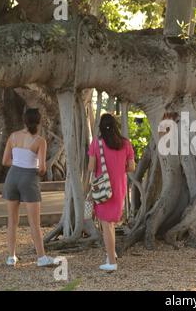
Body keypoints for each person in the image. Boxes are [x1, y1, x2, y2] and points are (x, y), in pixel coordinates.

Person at [2, 108, 56, 267]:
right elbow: (42, 169)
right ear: (39, 122)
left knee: (12, 221)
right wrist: (31, 165)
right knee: (34, 222)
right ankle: (41, 258)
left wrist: (19, 162)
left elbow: (5, 161)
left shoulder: (13, 136)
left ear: (24, 121)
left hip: (12, 178)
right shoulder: (40, 141)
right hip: (29, 178)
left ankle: (11, 257)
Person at [88, 113, 135, 272]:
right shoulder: (126, 143)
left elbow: (91, 167)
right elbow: (131, 167)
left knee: (106, 224)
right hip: (119, 186)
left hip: (103, 188)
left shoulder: (96, 143)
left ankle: (112, 262)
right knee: (111, 223)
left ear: (101, 126)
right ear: (116, 126)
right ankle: (110, 254)